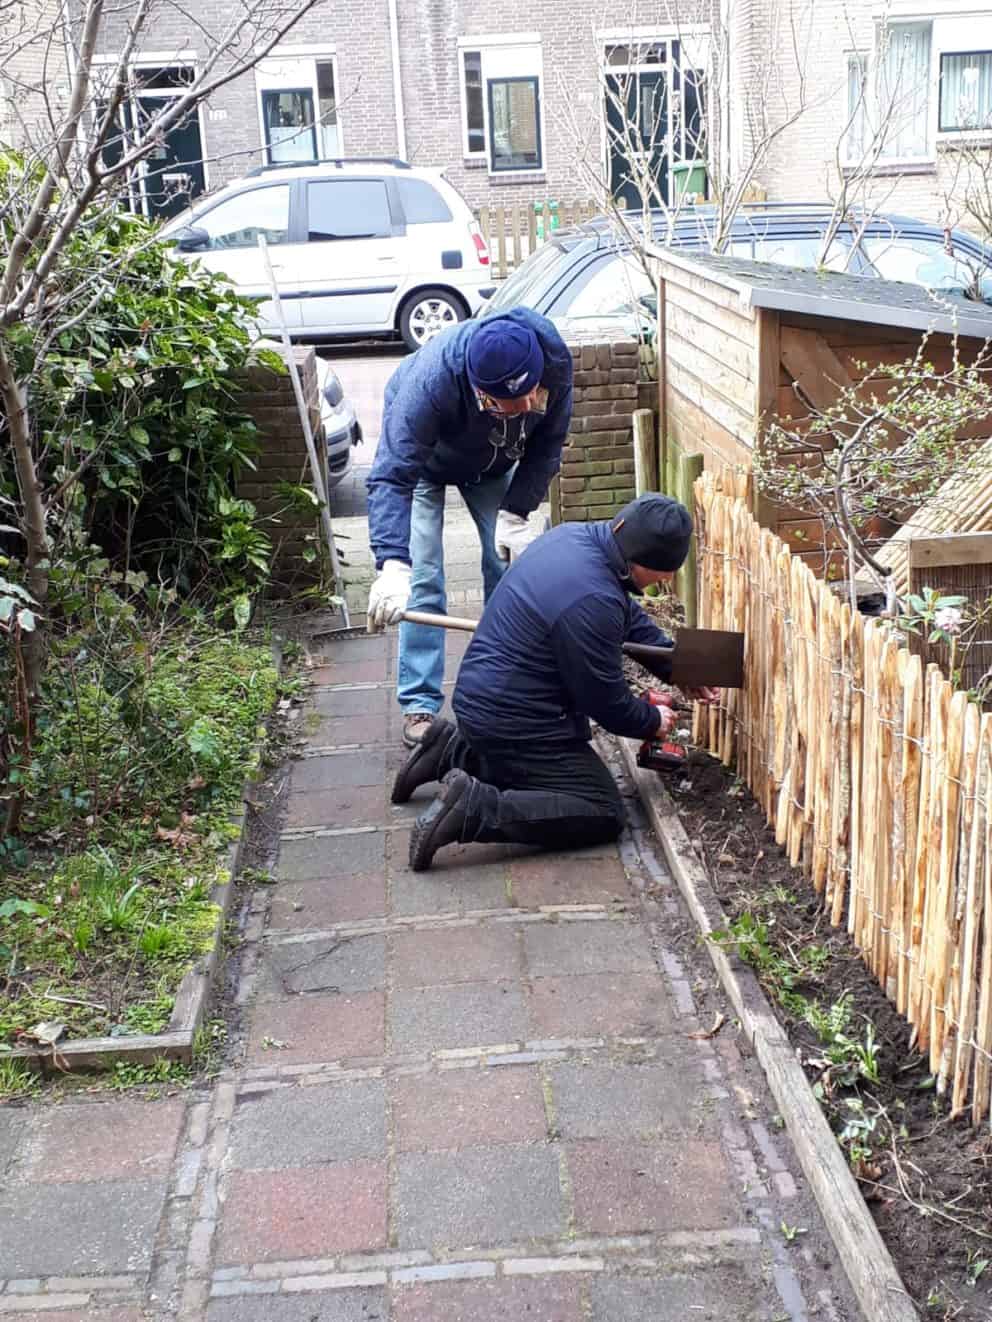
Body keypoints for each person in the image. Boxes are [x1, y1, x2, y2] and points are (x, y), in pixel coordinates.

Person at [389, 493, 720, 871]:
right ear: (642, 558)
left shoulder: (577, 541)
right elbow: (604, 700)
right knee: (600, 808)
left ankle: (449, 750)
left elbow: (626, 615)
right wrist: (650, 721)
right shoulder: (593, 598)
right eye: (666, 569)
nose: (668, 579)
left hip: (486, 697)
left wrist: (677, 665)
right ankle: (473, 810)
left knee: (536, 767)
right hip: (514, 720)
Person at [365, 308, 573, 748]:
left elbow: (547, 444)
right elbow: (391, 474)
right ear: (478, 390)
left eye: (520, 407)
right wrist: (391, 562)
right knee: (422, 579)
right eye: (495, 406)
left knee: (508, 570)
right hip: (425, 465)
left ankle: (505, 686)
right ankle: (420, 702)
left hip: (492, 465)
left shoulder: (553, 364)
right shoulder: (430, 381)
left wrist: (517, 513)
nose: (510, 413)